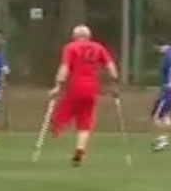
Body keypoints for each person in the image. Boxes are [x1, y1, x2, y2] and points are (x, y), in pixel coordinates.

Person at [49, 25, 119, 166]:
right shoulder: (98, 47)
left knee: (63, 112)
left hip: (75, 87)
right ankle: (80, 149)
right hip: (92, 89)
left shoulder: (70, 48)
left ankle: (56, 130)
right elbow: (110, 64)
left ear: (75, 36)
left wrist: (58, 85)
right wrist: (114, 82)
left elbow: (65, 67)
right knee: (85, 120)